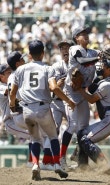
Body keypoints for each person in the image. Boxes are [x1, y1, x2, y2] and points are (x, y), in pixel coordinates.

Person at [9, 39, 75, 181]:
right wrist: (68, 100)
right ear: (43, 53)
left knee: (34, 139)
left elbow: (13, 92)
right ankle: (57, 164)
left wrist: (11, 103)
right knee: (52, 136)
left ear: (30, 55)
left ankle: (35, 165)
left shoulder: (20, 70)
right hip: (43, 108)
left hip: (26, 110)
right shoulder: (47, 68)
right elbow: (54, 87)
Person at [60, 26, 100, 170]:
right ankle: (61, 159)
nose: (86, 36)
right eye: (82, 34)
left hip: (83, 94)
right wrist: (98, 57)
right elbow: (82, 61)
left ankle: (82, 162)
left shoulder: (93, 52)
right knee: (72, 125)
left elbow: (102, 61)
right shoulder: (74, 49)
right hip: (71, 93)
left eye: (86, 33)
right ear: (76, 38)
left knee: (83, 130)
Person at [77, 58, 110, 168]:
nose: (102, 67)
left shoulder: (107, 85)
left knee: (85, 140)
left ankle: (106, 165)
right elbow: (92, 88)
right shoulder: (106, 81)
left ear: (109, 70)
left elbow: (91, 99)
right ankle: (82, 165)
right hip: (109, 119)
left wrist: (79, 89)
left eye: (105, 66)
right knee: (81, 133)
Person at [50, 39, 74, 171]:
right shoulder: (56, 66)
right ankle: (53, 160)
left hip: (71, 101)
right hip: (57, 102)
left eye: (67, 47)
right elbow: (56, 86)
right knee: (54, 129)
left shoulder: (76, 64)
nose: (65, 50)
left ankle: (75, 157)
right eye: (62, 48)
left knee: (78, 128)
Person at [0, 63, 30, 140]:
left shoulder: (11, 82)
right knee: (34, 135)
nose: (11, 74)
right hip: (10, 122)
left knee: (35, 137)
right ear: (1, 76)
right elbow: (8, 90)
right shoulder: (1, 86)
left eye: (11, 72)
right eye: (8, 73)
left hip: (19, 117)